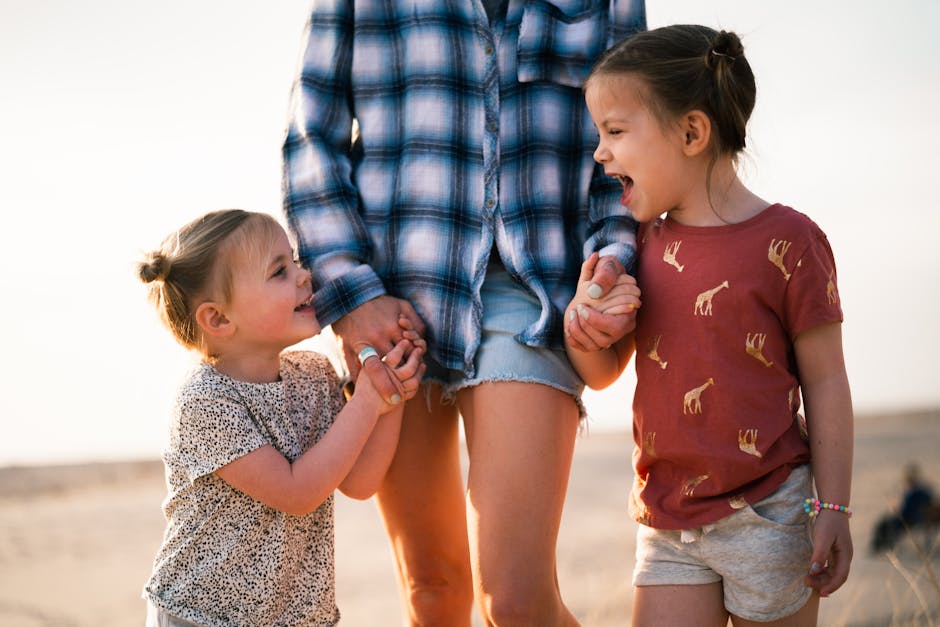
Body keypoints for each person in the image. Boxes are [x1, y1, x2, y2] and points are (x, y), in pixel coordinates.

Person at [281, 2, 647, 624]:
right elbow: (312, 132)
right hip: (391, 300)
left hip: (533, 295)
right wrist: (352, 294)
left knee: (516, 601)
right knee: (432, 591)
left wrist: (611, 261)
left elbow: (632, 139)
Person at [565, 25, 854, 626]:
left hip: (771, 516)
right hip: (666, 522)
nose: (600, 152)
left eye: (615, 131)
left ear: (693, 132)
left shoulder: (791, 242)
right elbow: (601, 371)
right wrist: (581, 323)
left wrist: (833, 507)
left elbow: (826, 382)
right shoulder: (636, 246)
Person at [138, 209, 425, 626]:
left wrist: (388, 397)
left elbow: (360, 481)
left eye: (294, 261)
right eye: (279, 271)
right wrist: (365, 402)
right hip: (200, 615)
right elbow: (297, 493)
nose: (305, 275)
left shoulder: (313, 375)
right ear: (218, 318)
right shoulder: (204, 401)